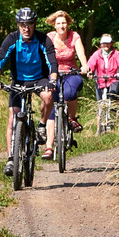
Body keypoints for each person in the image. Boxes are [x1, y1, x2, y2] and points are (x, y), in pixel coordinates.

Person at [0, 7, 57, 176]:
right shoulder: (12, 39)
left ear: (34, 25)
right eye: (22, 25)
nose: (26, 28)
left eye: (29, 24)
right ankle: (10, 159)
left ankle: (41, 125)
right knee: (12, 118)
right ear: (18, 25)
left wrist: (53, 80)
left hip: (39, 79)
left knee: (48, 95)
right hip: (19, 81)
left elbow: (52, 62)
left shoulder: (43, 39)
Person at [43, 10, 92, 158]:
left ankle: (71, 118)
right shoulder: (49, 37)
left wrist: (84, 66)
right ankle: (49, 147)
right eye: (58, 23)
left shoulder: (74, 36)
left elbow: (81, 53)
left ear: (68, 24)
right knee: (52, 106)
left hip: (71, 73)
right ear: (54, 25)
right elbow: (42, 55)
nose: (61, 26)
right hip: (53, 74)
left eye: (64, 23)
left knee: (70, 93)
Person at [85, 33, 119, 103]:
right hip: (100, 80)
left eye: (108, 43)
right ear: (101, 44)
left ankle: (115, 108)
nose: (106, 45)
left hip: (113, 79)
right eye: (104, 43)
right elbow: (91, 64)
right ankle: (100, 110)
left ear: (111, 43)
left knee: (113, 97)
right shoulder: (97, 54)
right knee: (100, 101)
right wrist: (90, 72)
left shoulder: (116, 53)